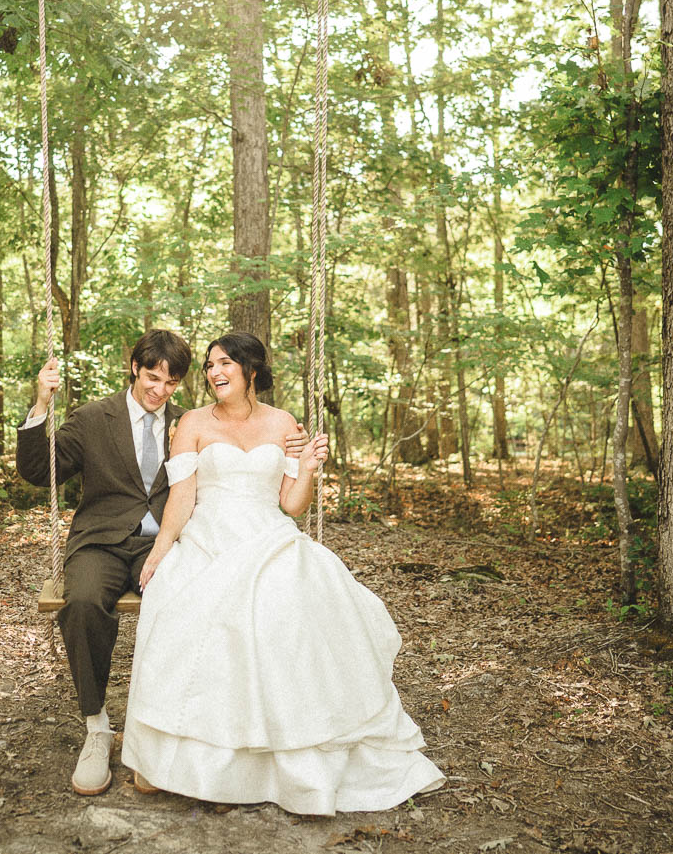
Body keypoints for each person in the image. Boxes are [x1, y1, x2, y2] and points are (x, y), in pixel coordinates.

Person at [122, 332, 443, 815]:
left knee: (289, 602)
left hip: (268, 535)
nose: (214, 373)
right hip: (209, 536)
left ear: (250, 369)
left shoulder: (285, 424)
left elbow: (291, 504)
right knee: (185, 603)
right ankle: (172, 757)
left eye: (224, 363)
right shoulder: (190, 423)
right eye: (210, 366)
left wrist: (309, 466)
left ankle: (291, 748)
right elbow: (183, 496)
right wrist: (161, 550)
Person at [17, 331, 310, 796]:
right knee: (85, 603)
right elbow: (37, 471)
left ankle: (164, 733)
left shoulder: (188, 421)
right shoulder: (94, 417)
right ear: (135, 366)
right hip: (103, 541)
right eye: (153, 377)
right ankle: (96, 728)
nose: (159, 390)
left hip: (174, 543)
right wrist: (41, 404)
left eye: (171, 382)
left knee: (193, 604)